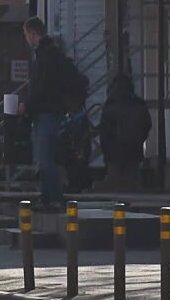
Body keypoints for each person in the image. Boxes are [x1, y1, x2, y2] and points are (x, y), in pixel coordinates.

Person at [21, 16, 84, 209]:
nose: (27, 39)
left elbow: (41, 87)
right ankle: (48, 197)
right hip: (51, 111)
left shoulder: (45, 56)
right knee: (45, 157)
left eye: (27, 35)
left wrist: (27, 105)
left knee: (44, 158)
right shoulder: (53, 53)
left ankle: (55, 197)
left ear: (32, 34)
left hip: (46, 112)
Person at [99, 68, 153, 186]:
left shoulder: (111, 105)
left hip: (114, 151)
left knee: (114, 181)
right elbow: (147, 125)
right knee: (131, 180)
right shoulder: (139, 104)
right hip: (134, 148)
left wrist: (106, 150)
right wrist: (139, 139)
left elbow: (104, 131)